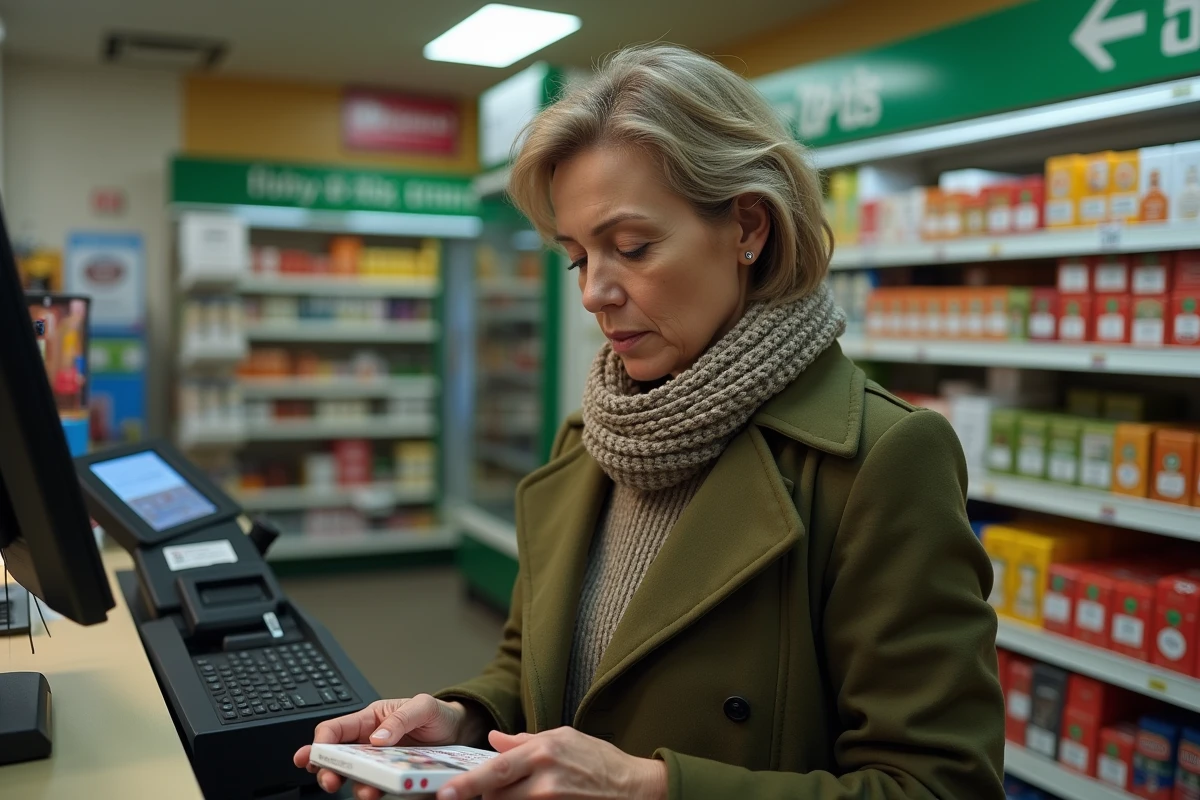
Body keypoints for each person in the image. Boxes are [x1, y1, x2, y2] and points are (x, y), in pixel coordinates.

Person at [295, 43, 1005, 800]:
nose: (595, 291)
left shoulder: (878, 460)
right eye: (577, 258)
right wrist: (464, 720)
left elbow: (940, 785)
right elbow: (534, 668)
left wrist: (651, 787)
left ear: (748, 229)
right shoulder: (591, 441)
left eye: (630, 248)